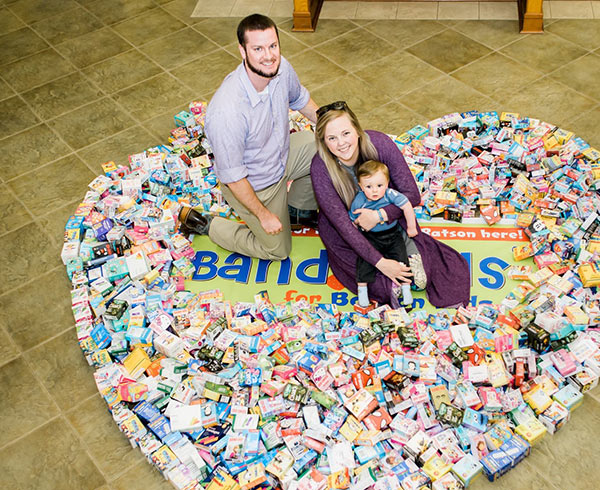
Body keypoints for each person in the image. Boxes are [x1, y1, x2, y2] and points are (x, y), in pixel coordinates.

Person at [178, 14, 320, 261]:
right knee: (277, 250)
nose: (268, 55)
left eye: (273, 46)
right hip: (256, 184)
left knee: (325, 145)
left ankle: (298, 210)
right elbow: (234, 178)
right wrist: (264, 215)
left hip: (281, 156)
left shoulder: (280, 67)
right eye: (258, 49)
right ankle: (207, 224)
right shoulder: (226, 111)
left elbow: (300, 99)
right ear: (242, 51)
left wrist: (334, 129)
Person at [310, 101, 470, 308]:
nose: (341, 143)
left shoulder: (379, 143)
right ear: (323, 142)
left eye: (346, 133)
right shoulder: (320, 167)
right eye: (332, 138)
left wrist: (380, 215)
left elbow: (412, 195)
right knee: (379, 286)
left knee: (425, 275)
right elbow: (342, 227)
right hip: (348, 233)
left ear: (357, 131)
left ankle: (409, 258)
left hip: (391, 222)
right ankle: (387, 273)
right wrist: (382, 264)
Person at [349, 160, 418, 307]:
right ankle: (362, 290)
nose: (374, 190)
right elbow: (353, 221)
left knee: (402, 258)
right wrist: (357, 230)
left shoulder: (390, 194)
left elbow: (407, 206)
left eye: (379, 186)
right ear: (360, 186)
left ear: (387, 183)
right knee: (364, 261)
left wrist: (411, 227)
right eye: (368, 186)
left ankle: (406, 289)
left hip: (392, 234)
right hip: (370, 237)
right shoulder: (359, 201)